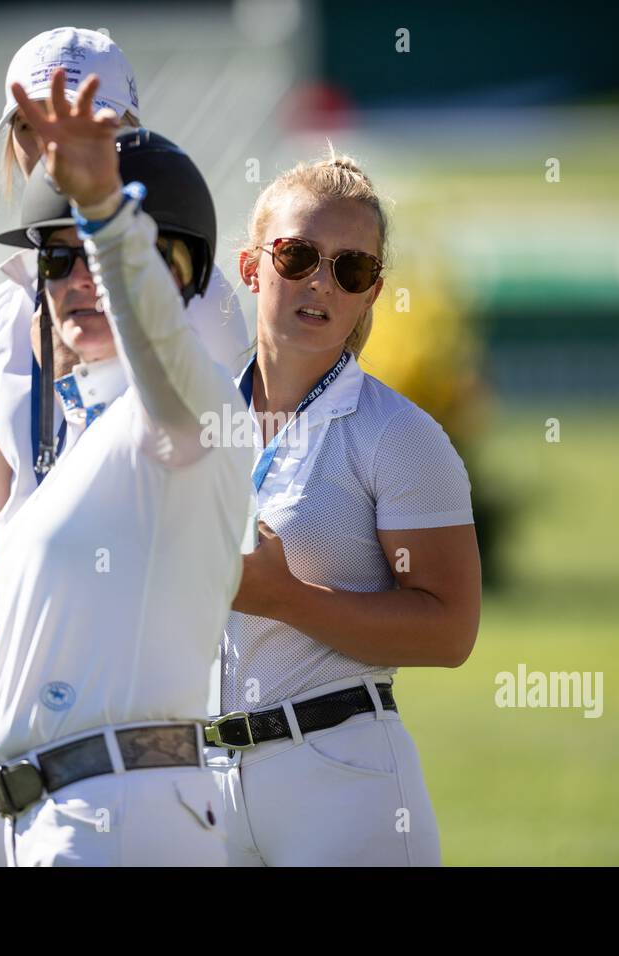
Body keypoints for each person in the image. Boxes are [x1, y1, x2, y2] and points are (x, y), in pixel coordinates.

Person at [0, 27, 247, 866]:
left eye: (90, 128)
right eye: (32, 126)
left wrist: (109, 227)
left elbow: (200, 507)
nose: (56, 146)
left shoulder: (194, 305)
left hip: (128, 686)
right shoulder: (1, 316)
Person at [204, 150, 482, 866]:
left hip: (341, 782)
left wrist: (284, 597)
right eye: (298, 256)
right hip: (196, 789)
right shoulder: (192, 426)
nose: (321, 283)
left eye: (350, 269)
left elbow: (450, 633)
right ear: (250, 266)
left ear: (371, 292)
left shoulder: (398, 435)